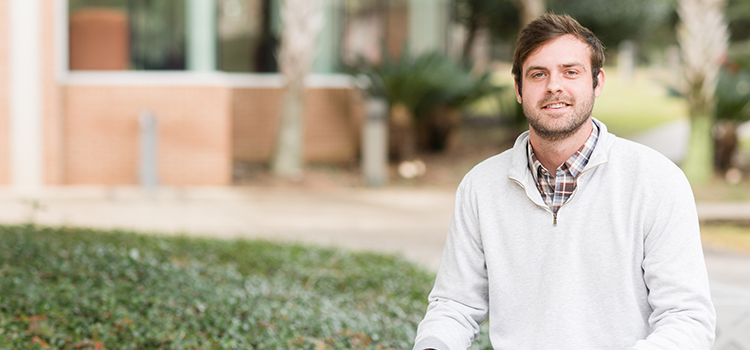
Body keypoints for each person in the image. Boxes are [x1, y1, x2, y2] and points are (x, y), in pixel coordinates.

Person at [413, 13, 716, 350]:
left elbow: (686, 318)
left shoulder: (657, 182)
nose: (554, 86)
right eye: (538, 74)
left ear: (597, 83)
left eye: (570, 72)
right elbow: (454, 305)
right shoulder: (480, 187)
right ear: (518, 89)